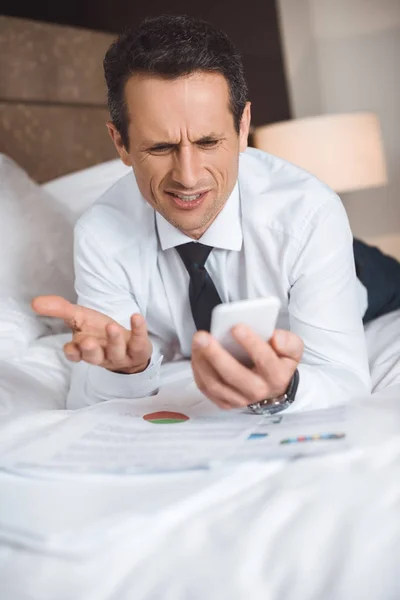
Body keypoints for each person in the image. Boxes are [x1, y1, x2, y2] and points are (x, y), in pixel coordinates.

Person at [32, 14, 371, 411]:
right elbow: (91, 395)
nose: (188, 177)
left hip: (362, 276)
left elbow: (344, 376)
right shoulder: (100, 234)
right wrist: (127, 371)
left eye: (209, 141)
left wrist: (286, 389)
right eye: (160, 148)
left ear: (243, 127)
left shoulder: (308, 215)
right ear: (120, 143)